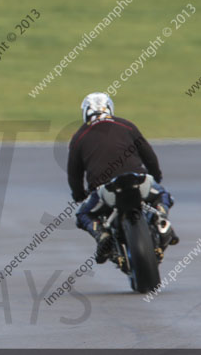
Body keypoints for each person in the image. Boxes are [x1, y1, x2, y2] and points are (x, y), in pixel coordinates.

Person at [67, 92, 178, 263]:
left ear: (86, 112)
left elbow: (74, 174)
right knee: (163, 195)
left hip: (105, 190)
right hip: (139, 180)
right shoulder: (127, 125)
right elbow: (149, 155)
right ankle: (160, 217)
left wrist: (78, 195)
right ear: (110, 108)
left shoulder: (78, 136)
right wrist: (156, 177)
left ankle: (102, 235)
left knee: (83, 214)